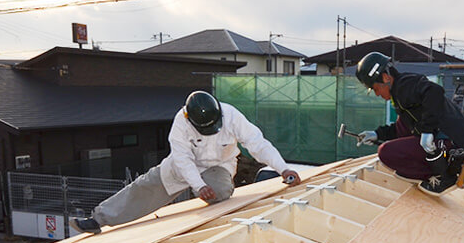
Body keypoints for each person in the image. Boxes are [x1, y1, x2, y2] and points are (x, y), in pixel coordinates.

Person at [70, 91, 300, 234]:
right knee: (145, 186)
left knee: (220, 190)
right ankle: (98, 218)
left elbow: (257, 143)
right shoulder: (181, 122)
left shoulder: (231, 116)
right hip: (183, 166)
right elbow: (182, 158)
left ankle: (210, 192)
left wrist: (283, 168)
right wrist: (198, 186)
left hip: (219, 165)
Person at [353, 51, 464, 195]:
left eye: (375, 88)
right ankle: (440, 168)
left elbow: (434, 91)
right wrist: (376, 134)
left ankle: (444, 177)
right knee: (402, 124)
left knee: (385, 152)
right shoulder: (401, 91)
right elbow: (401, 128)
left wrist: (427, 131)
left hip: (453, 140)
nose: (377, 94)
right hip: (454, 136)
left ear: (386, 77)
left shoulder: (405, 86)